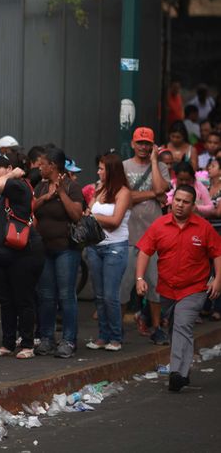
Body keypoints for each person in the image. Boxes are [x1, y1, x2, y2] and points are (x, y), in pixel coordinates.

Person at [135, 185, 221, 392]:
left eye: (186, 202)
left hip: (194, 288)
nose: (180, 205)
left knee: (182, 324)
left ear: (193, 205)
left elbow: (217, 253)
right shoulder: (159, 225)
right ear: (172, 201)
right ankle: (184, 370)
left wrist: (218, 279)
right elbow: (145, 251)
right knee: (177, 328)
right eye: (178, 200)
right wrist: (139, 278)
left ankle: (177, 373)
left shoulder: (203, 228)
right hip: (167, 289)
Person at [0, 153, 45, 359]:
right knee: (6, 300)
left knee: (23, 299)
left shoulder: (16, 186)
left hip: (21, 254)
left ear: (9, 168)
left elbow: (1, 184)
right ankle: (8, 343)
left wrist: (12, 174)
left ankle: (27, 344)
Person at [120, 127, 171, 344]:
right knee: (124, 284)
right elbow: (126, 197)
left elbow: (163, 188)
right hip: (130, 235)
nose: (143, 147)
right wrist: (153, 194)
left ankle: (156, 327)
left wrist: (153, 162)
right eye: (139, 143)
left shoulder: (160, 167)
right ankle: (117, 327)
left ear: (153, 146)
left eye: (147, 143)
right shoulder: (124, 167)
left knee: (155, 284)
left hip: (155, 237)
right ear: (132, 144)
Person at [33, 147, 84, 358]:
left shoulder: (72, 187)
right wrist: (47, 197)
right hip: (45, 248)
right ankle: (47, 338)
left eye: (42, 164)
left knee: (66, 295)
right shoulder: (40, 186)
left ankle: (69, 340)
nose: (39, 167)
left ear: (53, 166)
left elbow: (76, 215)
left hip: (66, 250)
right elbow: (32, 207)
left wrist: (61, 192)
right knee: (46, 295)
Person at [85, 154, 132, 351]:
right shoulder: (99, 189)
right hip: (95, 247)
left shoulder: (123, 192)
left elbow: (114, 221)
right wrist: (92, 215)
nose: (98, 171)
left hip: (115, 247)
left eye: (102, 168)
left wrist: (95, 216)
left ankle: (116, 336)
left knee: (111, 295)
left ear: (111, 170)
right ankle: (103, 336)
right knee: (99, 295)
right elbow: (87, 214)